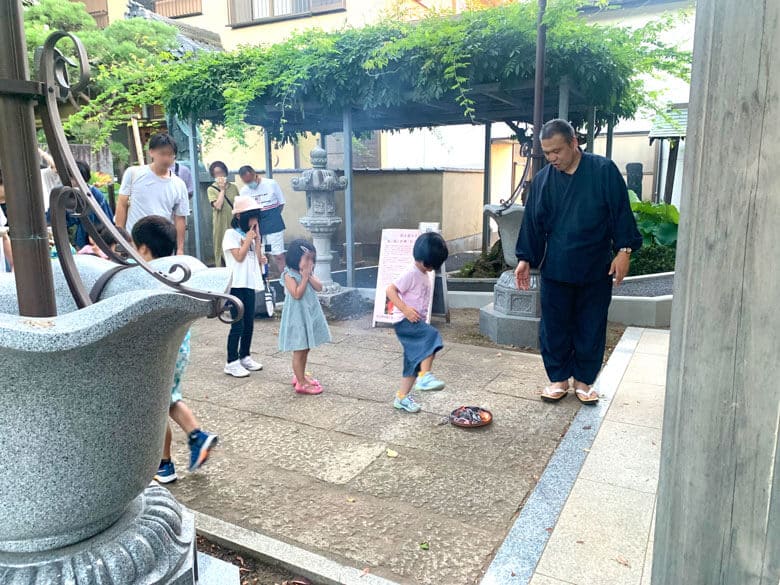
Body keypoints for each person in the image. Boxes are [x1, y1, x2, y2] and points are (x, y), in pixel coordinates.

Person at [515, 119, 643, 405]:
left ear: (574, 142)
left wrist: (624, 251)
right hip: (556, 266)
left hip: (595, 265)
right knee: (554, 326)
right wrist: (525, 258)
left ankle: (584, 381)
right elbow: (532, 224)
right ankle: (559, 378)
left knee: (591, 324)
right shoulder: (544, 181)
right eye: (547, 153)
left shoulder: (603, 171)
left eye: (557, 151)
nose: (552, 158)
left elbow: (621, 213)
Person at [131, 215, 218, 483]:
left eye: (135, 247)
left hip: (161, 349)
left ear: (144, 248)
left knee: (158, 405)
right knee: (170, 398)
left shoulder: (146, 278)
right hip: (180, 346)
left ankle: (165, 464)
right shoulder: (174, 273)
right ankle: (197, 436)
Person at [385, 232, 449, 413]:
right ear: (420, 259)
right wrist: (404, 309)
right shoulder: (411, 272)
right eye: (429, 264)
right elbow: (390, 290)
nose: (430, 268)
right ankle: (425, 376)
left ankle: (401, 398)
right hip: (405, 321)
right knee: (432, 336)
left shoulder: (423, 272)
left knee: (411, 363)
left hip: (414, 321)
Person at [115, 133, 190, 255]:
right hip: (134, 244)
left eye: (170, 154)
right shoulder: (134, 173)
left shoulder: (179, 184)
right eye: (162, 153)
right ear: (151, 152)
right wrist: (120, 238)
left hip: (162, 245)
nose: (166, 158)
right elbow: (122, 204)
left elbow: (180, 218)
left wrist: (180, 249)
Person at [222, 195, 267, 378]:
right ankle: (231, 362)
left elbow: (256, 259)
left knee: (249, 323)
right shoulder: (230, 234)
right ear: (241, 216)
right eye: (252, 216)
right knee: (237, 324)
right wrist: (249, 238)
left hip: (249, 283)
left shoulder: (252, 235)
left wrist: (257, 243)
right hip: (236, 285)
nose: (254, 220)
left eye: (256, 217)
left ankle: (245, 355)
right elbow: (238, 257)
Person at [278, 239, 331, 395]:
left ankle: (301, 375)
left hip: (308, 314)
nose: (310, 262)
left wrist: (309, 275)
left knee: (306, 348)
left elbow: (319, 287)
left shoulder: (308, 273)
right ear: (295, 258)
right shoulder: (289, 274)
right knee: (299, 349)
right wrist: (305, 277)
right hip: (297, 317)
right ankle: (300, 382)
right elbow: (296, 294)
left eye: (311, 259)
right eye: (306, 258)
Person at [238, 165, 286, 273]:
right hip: (255, 225)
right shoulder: (244, 191)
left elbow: (281, 204)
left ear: (255, 174)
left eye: (250, 180)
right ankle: (262, 281)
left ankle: (286, 281)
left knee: (278, 255)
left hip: (273, 222)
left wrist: (271, 217)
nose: (250, 184)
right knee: (259, 255)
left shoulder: (271, 184)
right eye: (246, 182)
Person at [70, 160, 115, 250]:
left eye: (71, 177)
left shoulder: (93, 194)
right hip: (85, 241)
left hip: (98, 241)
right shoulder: (74, 193)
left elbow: (104, 220)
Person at [208, 161, 239, 268]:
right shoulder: (211, 189)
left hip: (234, 222)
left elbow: (238, 204)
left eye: (221, 172)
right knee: (220, 245)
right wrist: (221, 190)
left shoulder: (233, 187)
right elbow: (218, 205)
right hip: (220, 223)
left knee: (235, 244)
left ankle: (235, 268)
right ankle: (221, 268)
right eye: (216, 173)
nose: (219, 175)